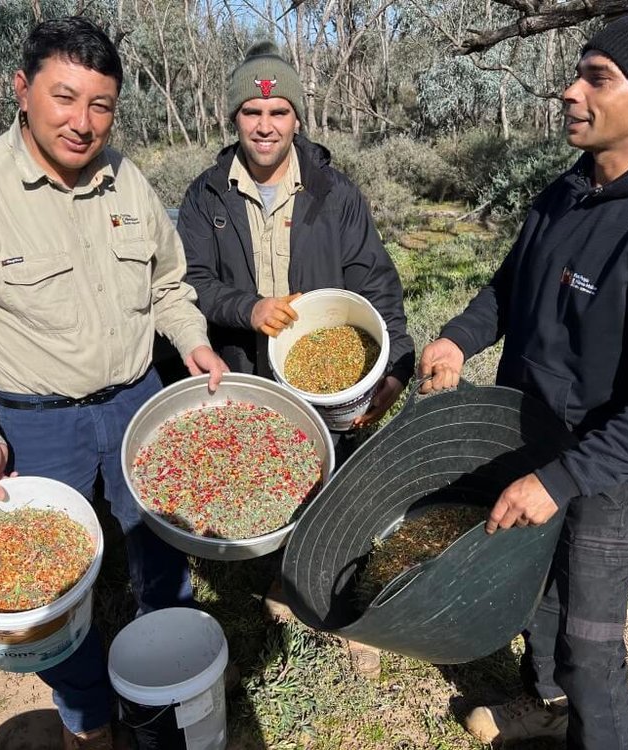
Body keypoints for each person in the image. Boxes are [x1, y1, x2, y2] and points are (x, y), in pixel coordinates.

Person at [0, 17, 227, 750]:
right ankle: (88, 719)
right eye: (65, 98)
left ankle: (163, 690)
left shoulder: (128, 178)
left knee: (161, 553)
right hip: (36, 423)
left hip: (137, 400)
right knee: (50, 589)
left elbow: (169, 285)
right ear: (21, 91)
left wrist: (195, 343)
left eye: (101, 105)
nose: (84, 124)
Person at [418, 12, 628, 750]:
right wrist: (458, 339)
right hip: (528, 430)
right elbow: (511, 284)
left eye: (597, 78)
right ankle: (545, 700)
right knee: (534, 587)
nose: (569, 91)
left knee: (593, 637)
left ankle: (594, 725)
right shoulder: (571, 188)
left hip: (605, 466)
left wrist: (565, 478)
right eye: (577, 72)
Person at [176, 42, 416, 678]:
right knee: (276, 486)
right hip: (250, 375)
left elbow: (376, 283)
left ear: (297, 119)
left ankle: (346, 610)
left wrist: (396, 367)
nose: (265, 125)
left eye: (279, 111)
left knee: (341, 488)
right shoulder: (205, 198)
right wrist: (247, 307)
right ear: (234, 118)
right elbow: (189, 280)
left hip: (327, 382)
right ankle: (286, 583)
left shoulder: (334, 193)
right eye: (252, 111)